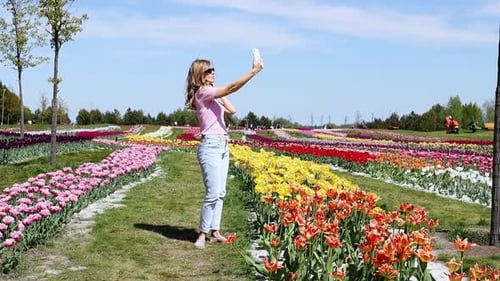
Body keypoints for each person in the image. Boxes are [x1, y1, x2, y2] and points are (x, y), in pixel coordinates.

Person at [185, 55, 264, 249]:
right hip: (210, 146)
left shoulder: (210, 95)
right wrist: (253, 72)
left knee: (221, 192)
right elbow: (231, 88)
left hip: (222, 146)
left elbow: (232, 110)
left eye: (213, 70)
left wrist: (220, 93)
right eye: (209, 71)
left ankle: (215, 232)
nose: (213, 72)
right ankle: (202, 235)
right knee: (212, 193)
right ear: (199, 75)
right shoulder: (202, 93)